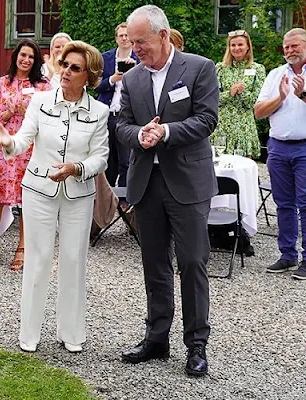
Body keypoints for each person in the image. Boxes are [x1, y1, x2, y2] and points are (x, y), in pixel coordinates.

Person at [115, 5, 219, 377]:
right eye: (131, 41)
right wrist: (139, 135)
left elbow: (207, 119)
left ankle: (197, 345)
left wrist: (167, 132)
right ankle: (157, 337)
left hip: (187, 182)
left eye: (140, 41)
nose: (134, 47)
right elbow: (121, 126)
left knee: (192, 262)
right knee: (154, 264)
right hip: (147, 182)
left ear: (162, 35)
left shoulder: (199, 68)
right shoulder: (133, 78)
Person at [0, 41, 109, 354]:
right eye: (64, 64)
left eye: (75, 68)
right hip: (39, 189)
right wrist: (6, 142)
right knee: (38, 259)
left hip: (79, 193)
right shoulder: (40, 102)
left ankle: (71, 333)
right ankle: (29, 335)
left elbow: (101, 158)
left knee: (73, 260)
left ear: (90, 76)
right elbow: (21, 143)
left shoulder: (100, 111)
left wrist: (76, 168)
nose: (67, 71)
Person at [0, 39, 51, 271]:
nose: (26, 60)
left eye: (31, 57)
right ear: (16, 56)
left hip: (31, 148)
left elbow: (49, 118)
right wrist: (11, 110)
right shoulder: (1, 83)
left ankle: (22, 249)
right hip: (5, 149)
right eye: (22, 55)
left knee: (28, 200)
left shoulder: (43, 86)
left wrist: (31, 113)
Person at [254, 28, 306, 280]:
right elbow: (259, 111)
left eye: (294, 46)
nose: (289, 51)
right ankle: (287, 255)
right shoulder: (275, 74)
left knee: (305, 204)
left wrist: (302, 95)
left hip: (305, 147)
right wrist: (281, 97)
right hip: (277, 146)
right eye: (286, 47)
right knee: (283, 203)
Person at [95, 23, 138, 188]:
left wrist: (132, 73)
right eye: (121, 35)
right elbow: (96, 86)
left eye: (127, 35)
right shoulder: (106, 58)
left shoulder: (139, 58)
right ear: (116, 38)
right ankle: (107, 197)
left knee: (126, 160)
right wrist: (113, 79)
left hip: (128, 115)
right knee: (107, 159)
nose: (125, 38)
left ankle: (125, 199)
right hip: (108, 114)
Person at [212, 30, 266, 158]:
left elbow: (257, 102)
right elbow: (212, 99)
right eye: (233, 45)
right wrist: (229, 93)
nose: (237, 48)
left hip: (244, 128)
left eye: (240, 44)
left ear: (248, 46)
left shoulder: (257, 69)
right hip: (222, 127)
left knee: (243, 170)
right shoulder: (220, 68)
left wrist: (243, 93)